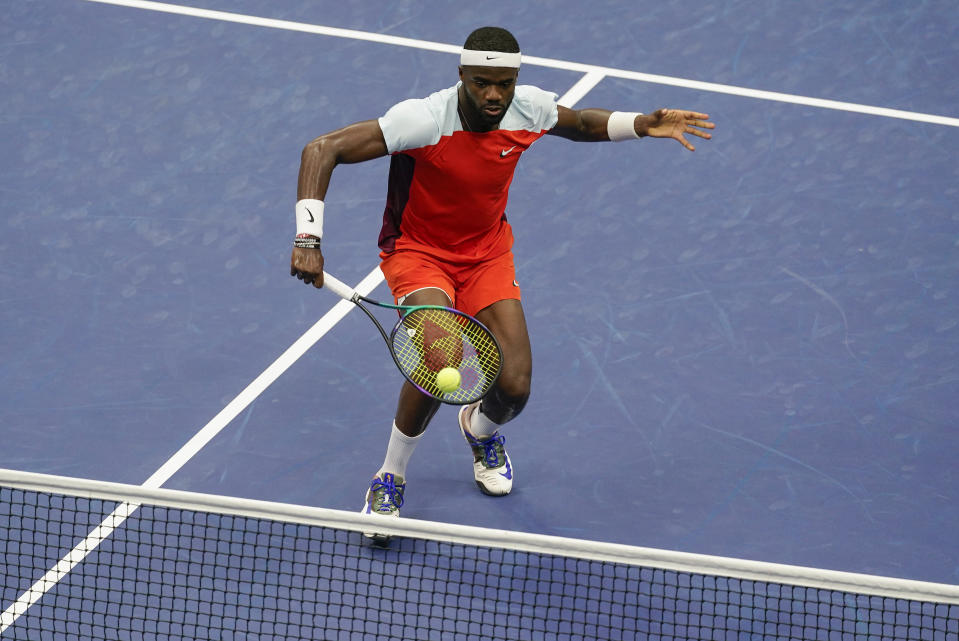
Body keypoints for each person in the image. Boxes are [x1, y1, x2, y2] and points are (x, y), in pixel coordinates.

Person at [290, 26, 714, 524]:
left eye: (504, 84)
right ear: (462, 77)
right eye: (481, 83)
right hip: (418, 252)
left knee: (513, 386)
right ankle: (391, 475)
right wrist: (307, 239)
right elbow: (322, 150)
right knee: (439, 360)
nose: (494, 95)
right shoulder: (423, 119)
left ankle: (480, 430)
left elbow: (579, 123)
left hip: (488, 254)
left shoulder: (527, 107)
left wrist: (642, 123)